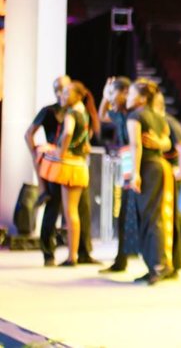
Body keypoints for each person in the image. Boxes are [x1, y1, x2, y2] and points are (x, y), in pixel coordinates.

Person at [26, 75, 96, 266]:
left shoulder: (72, 113)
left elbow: (68, 134)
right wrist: (38, 156)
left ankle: (78, 253)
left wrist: (60, 152)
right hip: (72, 165)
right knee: (59, 209)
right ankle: (55, 253)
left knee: (74, 210)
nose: (61, 94)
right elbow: (29, 134)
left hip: (66, 165)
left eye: (65, 90)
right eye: (59, 90)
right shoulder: (60, 111)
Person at [126, 78, 173, 285]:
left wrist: (135, 172)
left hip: (146, 168)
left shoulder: (136, 115)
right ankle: (155, 264)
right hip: (158, 166)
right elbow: (167, 141)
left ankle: (157, 265)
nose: (128, 96)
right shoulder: (158, 116)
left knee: (149, 218)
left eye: (131, 93)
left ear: (142, 98)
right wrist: (160, 143)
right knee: (152, 217)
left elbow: (136, 145)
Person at [97, 76, 137, 274]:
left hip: (139, 168)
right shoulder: (120, 114)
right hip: (128, 166)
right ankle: (121, 261)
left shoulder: (134, 114)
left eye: (113, 93)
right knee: (122, 215)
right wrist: (105, 96)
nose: (111, 97)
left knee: (137, 216)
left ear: (125, 93)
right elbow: (102, 115)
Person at [154, 91, 181, 278]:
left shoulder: (168, 122)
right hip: (168, 176)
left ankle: (173, 263)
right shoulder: (165, 121)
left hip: (172, 178)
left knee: (173, 218)